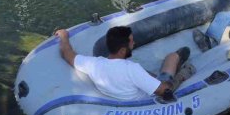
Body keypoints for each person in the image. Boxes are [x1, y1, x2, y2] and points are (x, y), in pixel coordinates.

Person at [54, 26, 193, 100]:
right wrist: (172, 82)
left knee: (150, 74)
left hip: (124, 90)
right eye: (131, 42)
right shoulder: (132, 69)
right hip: (150, 94)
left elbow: (67, 53)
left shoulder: (94, 65)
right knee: (173, 58)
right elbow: (163, 90)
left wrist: (64, 36)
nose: (134, 43)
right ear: (122, 50)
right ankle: (181, 62)